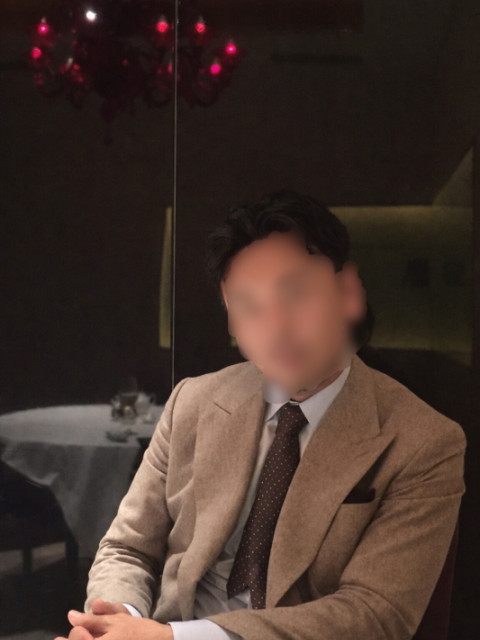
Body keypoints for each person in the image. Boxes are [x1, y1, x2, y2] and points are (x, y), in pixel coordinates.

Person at [57, 190, 466, 640]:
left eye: (295, 294)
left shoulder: (424, 442)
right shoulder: (192, 402)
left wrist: (174, 639)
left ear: (348, 292)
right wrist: (119, 616)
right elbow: (127, 548)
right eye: (248, 307)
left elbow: (374, 614)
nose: (275, 328)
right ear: (232, 322)